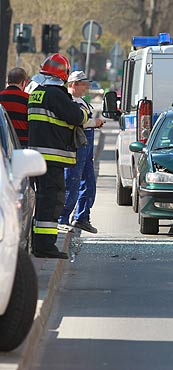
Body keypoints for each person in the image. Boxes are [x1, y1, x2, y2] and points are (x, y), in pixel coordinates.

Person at [28, 54, 89, 259]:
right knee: (52, 201)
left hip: (36, 157)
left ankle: (39, 244)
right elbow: (77, 116)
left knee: (42, 200)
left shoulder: (37, 92)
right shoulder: (56, 94)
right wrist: (84, 112)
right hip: (51, 157)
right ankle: (45, 246)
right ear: (63, 75)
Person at [58, 71, 104, 233]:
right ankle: (62, 218)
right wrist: (95, 122)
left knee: (88, 183)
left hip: (86, 148)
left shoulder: (82, 101)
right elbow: (75, 120)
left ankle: (82, 217)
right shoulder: (68, 101)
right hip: (76, 147)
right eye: (83, 84)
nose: (86, 87)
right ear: (73, 84)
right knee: (72, 182)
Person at [0, 67, 29, 147]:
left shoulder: (1, 96)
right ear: (23, 83)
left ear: (8, 81)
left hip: (3, 144)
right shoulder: (27, 99)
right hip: (22, 144)